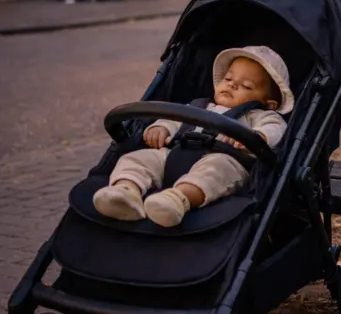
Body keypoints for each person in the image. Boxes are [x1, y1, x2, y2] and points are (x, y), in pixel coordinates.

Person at [92, 46, 291, 228]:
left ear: (269, 103)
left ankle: (178, 200)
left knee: (217, 172)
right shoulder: (198, 106)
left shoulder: (261, 115)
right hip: (173, 154)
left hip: (223, 159)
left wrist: (258, 136)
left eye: (246, 86)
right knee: (138, 158)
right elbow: (173, 120)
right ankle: (125, 192)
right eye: (228, 79)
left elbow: (276, 130)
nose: (232, 85)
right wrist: (161, 128)